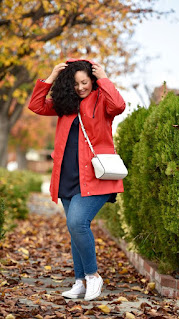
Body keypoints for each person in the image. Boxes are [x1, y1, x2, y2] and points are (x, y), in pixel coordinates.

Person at [28, 58, 126, 301]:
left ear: (92, 81)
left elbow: (119, 106)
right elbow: (36, 105)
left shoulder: (102, 100)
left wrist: (103, 77)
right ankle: (80, 281)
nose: (81, 87)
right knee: (75, 229)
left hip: (95, 177)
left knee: (77, 223)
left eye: (85, 82)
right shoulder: (65, 104)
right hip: (67, 176)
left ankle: (93, 276)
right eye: (75, 84)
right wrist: (50, 77)